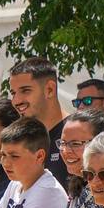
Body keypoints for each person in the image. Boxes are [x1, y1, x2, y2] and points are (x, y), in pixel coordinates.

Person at [9, 57, 69, 189]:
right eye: (13, 93)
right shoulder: (24, 137)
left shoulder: (77, 133)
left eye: (25, 90)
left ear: (50, 90)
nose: (16, 101)